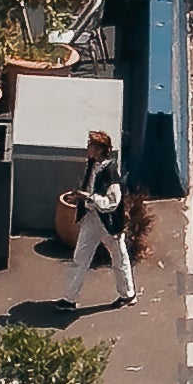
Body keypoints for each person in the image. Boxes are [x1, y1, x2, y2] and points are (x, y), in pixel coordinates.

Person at [68, 130, 135, 305]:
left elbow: (111, 203)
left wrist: (87, 197)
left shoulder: (110, 173)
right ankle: (69, 298)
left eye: (91, 145)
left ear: (99, 149)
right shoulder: (91, 164)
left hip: (109, 223)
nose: (87, 148)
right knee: (80, 258)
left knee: (119, 259)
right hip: (92, 218)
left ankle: (128, 294)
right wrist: (80, 197)